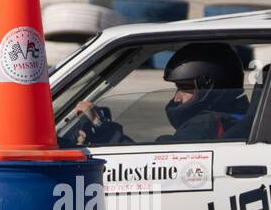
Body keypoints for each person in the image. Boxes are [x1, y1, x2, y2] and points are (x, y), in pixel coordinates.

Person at [73, 42, 249, 145]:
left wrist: (102, 128)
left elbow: (150, 167)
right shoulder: (240, 116)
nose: (177, 98)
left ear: (209, 87)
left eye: (185, 88)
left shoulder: (205, 126)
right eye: (177, 88)